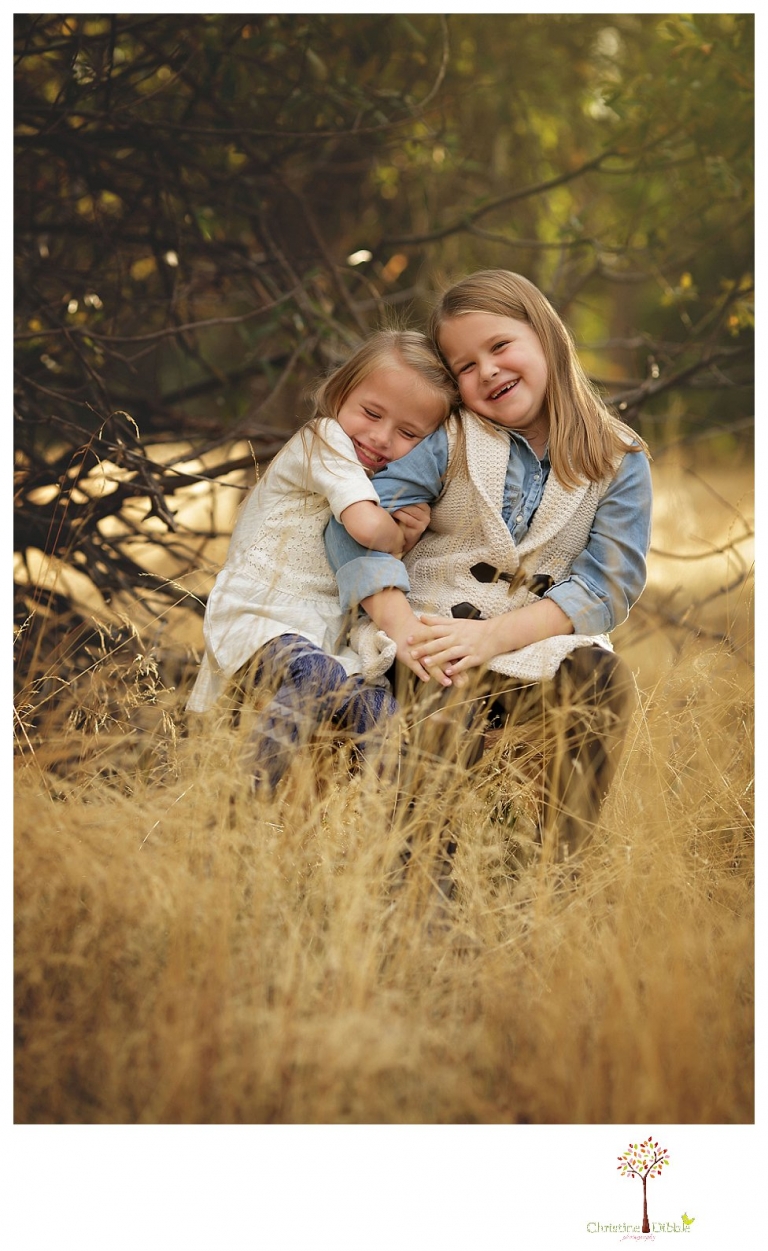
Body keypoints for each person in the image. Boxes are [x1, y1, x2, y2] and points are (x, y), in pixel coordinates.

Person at [324, 269, 653, 868]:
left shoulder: (617, 458)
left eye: (499, 347)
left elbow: (609, 583)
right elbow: (351, 527)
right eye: (464, 367)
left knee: (601, 680)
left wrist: (495, 636)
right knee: (445, 721)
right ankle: (424, 874)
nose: (488, 372)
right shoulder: (448, 437)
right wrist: (402, 626)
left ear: (546, 336)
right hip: (431, 641)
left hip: (533, 648)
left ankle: (559, 866)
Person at [186, 328, 457, 792]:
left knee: (381, 712)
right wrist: (401, 534)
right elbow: (367, 530)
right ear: (340, 393)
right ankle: (242, 804)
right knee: (317, 675)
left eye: (408, 433)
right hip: (262, 615)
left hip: (323, 637)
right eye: (371, 413)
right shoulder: (325, 439)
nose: (380, 437)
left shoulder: (376, 477)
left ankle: (387, 841)